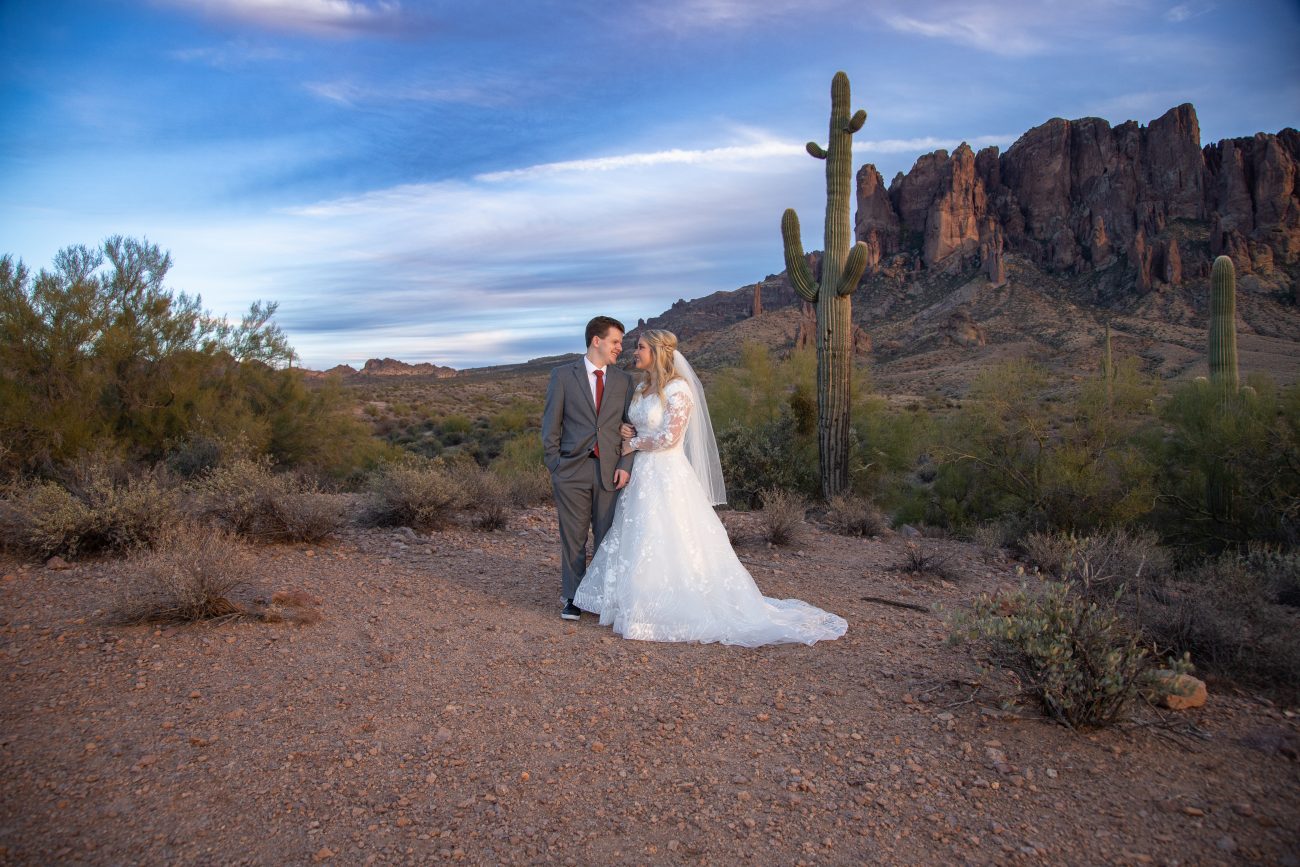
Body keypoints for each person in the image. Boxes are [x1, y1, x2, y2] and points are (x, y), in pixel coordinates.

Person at [573, 329, 847, 646]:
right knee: (637, 533)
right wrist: (626, 430)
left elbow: (670, 438)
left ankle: (664, 607)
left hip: (666, 473)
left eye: (641, 347)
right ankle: (627, 601)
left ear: (658, 352)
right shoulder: (643, 387)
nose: (635, 351)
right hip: (642, 475)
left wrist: (631, 444)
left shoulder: (678, 389)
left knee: (668, 534)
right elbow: (641, 424)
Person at [541, 316, 636, 620]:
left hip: (610, 470)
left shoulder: (623, 380)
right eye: (615, 341)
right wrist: (555, 465)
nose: (620, 348)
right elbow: (550, 425)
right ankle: (573, 597)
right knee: (574, 537)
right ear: (597, 340)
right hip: (571, 469)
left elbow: (631, 427)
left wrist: (625, 464)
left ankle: (602, 596)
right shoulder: (563, 375)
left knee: (607, 537)